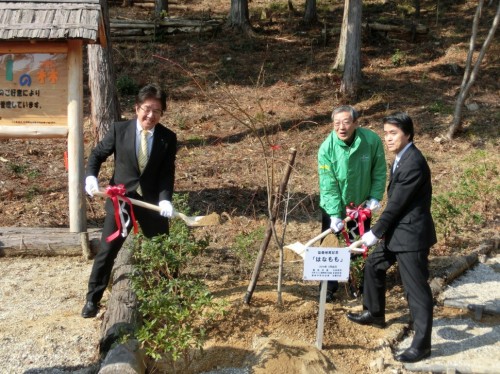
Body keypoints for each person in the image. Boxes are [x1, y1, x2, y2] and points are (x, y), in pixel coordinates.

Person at [81, 83, 177, 318]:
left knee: (163, 249)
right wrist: (91, 177)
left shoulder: (167, 138)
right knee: (106, 251)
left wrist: (165, 200)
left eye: (157, 111)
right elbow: (97, 155)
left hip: (151, 203)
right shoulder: (119, 130)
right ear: (137, 108)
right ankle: (93, 299)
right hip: (121, 202)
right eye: (147, 109)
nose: (151, 115)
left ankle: (170, 294)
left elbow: (166, 173)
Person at [348, 112, 436, 363]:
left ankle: (422, 345)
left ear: (408, 134)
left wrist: (373, 233)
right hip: (398, 230)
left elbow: (396, 205)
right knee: (375, 264)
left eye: (393, 133)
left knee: (416, 290)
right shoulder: (401, 158)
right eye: (385, 133)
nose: (387, 138)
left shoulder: (413, 163)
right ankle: (374, 313)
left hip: (411, 235)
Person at [318, 105, 386, 301]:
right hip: (334, 207)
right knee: (329, 247)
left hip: (360, 207)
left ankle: (358, 283)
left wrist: (375, 196)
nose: (341, 127)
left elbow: (379, 170)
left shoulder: (371, 141)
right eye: (337, 123)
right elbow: (327, 182)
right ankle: (328, 288)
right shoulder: (326, 148)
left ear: (356, 123)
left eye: (346, 122)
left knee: (358, 245)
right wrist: (334, 214)